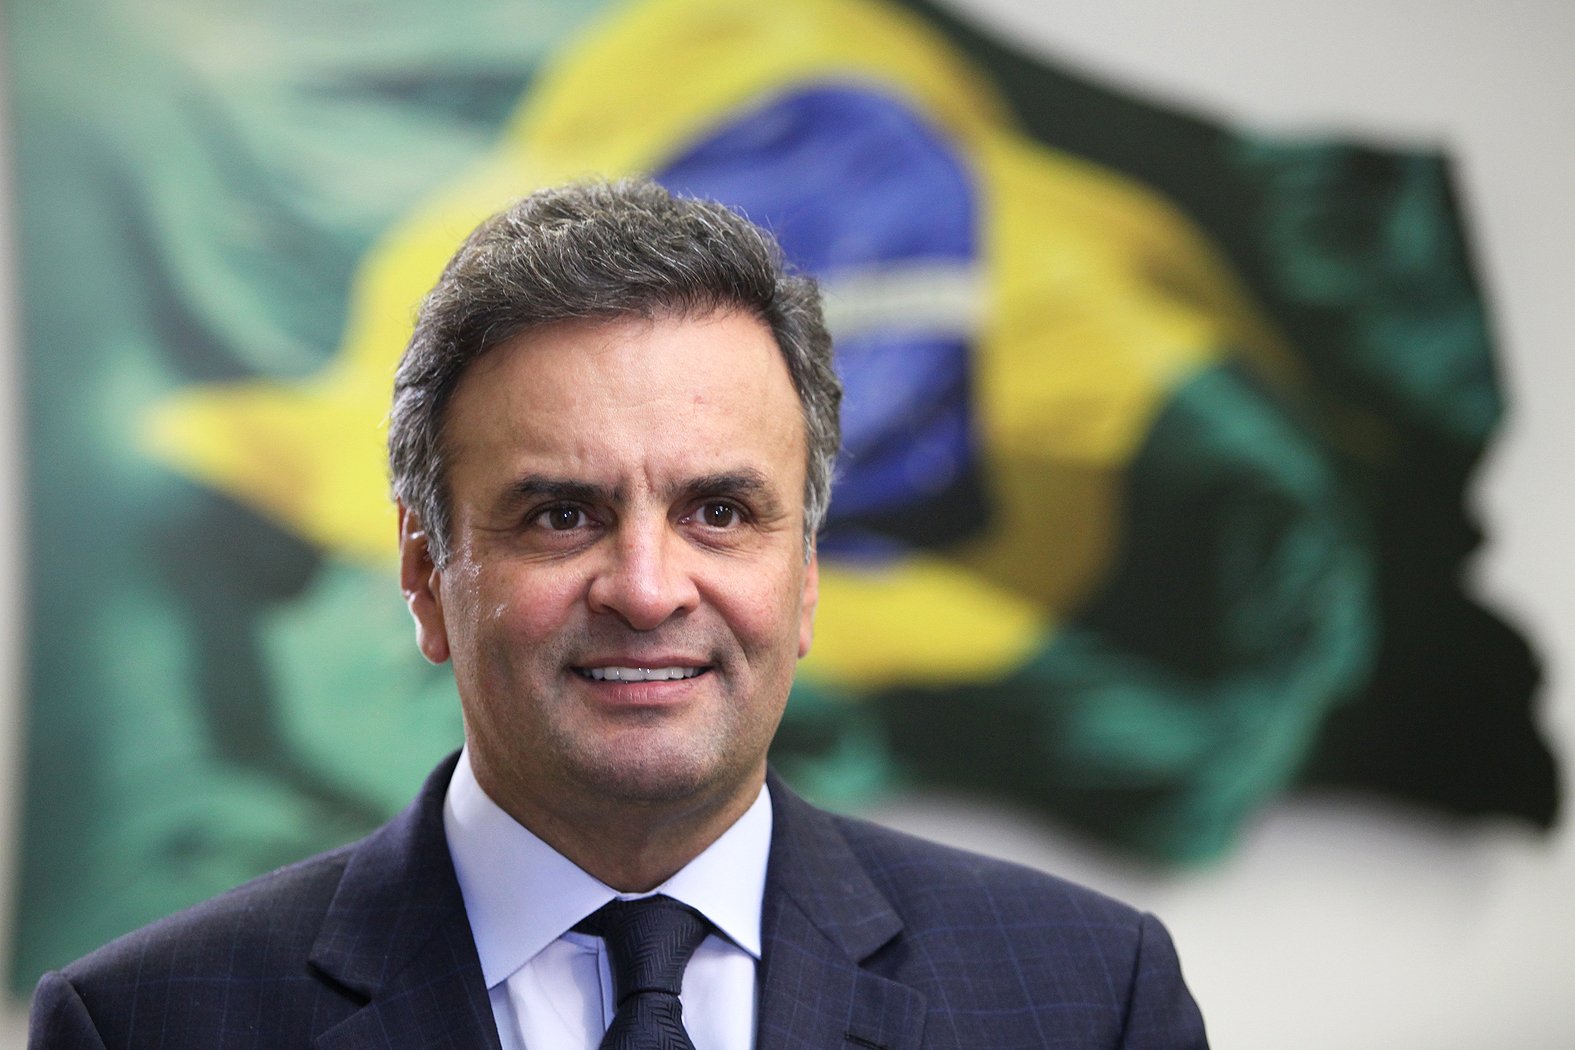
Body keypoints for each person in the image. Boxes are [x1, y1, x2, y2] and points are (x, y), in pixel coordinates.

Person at [29, 178, 1208, 1049]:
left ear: (805, 577)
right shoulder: (144, 1027)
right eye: (561, 515)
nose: (647, 590)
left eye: (720, 512)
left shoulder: (1088, 998)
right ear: (427, 572)